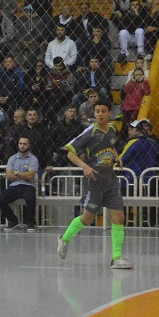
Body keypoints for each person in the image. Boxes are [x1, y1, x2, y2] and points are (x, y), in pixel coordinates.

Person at [57, 102, 131, 269]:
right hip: (94, 181)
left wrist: (117, 157)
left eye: (103, 111)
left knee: (119, 217)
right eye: (97, 111)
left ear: (110, 113)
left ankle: (116, 258)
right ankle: (64, 239)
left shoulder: (112, 129)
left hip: (110, 180)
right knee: (87, 218)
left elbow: (111, 145)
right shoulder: (89, 132)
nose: (100, 114)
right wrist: (85, 167)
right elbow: (70, 153)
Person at [0, 136, 40, 231]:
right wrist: (23, 175)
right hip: (15, 185)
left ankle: (30, 222)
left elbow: (30, 176)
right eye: (20, 143)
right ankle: (13, 220)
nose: (22, 146)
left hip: (29, 185)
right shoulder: (12, 158)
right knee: (1, 200)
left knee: (31, 199)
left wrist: (16, 173)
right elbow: (8, 175)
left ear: (29, 145)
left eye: (25, 144)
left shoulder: (33, 159)